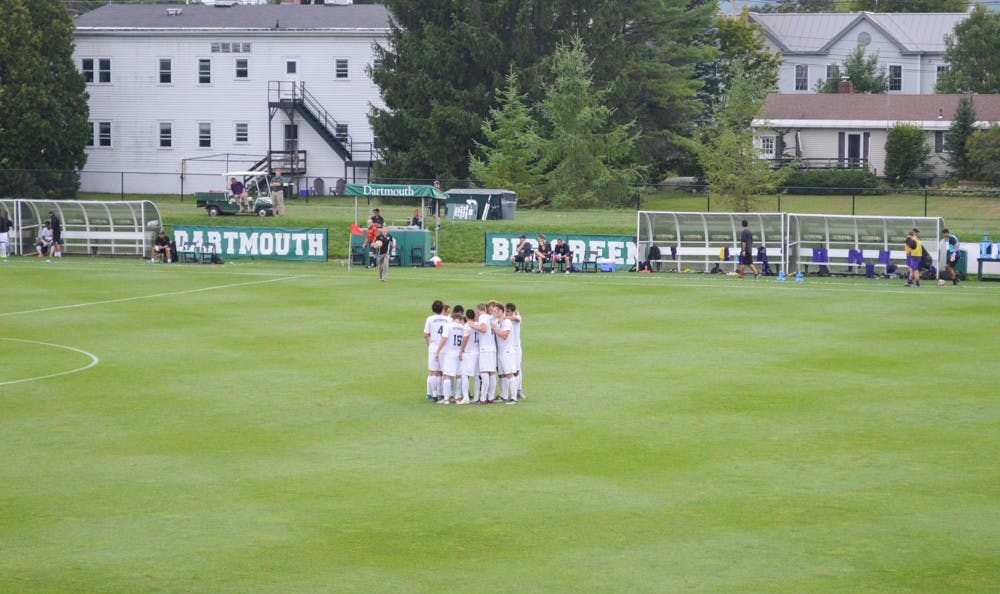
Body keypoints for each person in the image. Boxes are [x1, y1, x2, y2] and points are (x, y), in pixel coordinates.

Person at [435, 311, 468, 404]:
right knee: (459, 375)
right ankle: (457, 397)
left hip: (450, 353)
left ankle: (446, 398)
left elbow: (444, 339)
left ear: (453, 318)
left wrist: (437, 351)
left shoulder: (448, 326)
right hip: (459, 353)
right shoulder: (463, 327)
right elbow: (466, 339)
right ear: (460, 319)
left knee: (447, 375)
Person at [423, 300, 450, 401]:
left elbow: (425, 334)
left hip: (433, 347)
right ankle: (440, 393)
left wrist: (429, 345)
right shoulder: (448, 319)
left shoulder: (429, 319)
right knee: (441, 372)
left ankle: (433, 394)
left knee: (433, 372)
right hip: (444, 347)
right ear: (442, 308)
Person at [491, 302, 518, 404]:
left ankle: (514, 398)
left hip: (507, 351)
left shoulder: (507, 322)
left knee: (509, 374)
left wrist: (495, 328)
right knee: (502, 375)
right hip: (501, 352)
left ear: (500, 311)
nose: (493, 313)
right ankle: (504, 396)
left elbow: (504, 335)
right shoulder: (498, 321)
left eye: (494, 311)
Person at [473, 302, 498, 404]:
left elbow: (483, 329)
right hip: (492, 348)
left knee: (484, 373)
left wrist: (472, 325)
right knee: (491, 373)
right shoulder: (490, 317)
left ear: (479, 309)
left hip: (485, 349)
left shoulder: (483, 317)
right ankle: (491, 397)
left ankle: (483, 399)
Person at [458, 309, 480, 404]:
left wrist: (461, 350)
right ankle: (476, 397)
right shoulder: (477, 325)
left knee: (464, 375)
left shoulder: (467, 325)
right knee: (476, 376)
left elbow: (466, 338)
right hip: (477, 352)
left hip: (469, 352)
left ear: (466, 317)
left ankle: (466, 397)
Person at [505, 302, 524, 400]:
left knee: (517, 369)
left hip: (516, 348)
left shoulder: (517, 317)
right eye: (505, 311)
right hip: (509, 348)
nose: (506, 313)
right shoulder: (504, 318)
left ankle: (518, 390)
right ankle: (514, 391)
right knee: (510, 370)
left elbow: (517, 319)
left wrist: (507, 317)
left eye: (508, 312)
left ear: (513, 312)